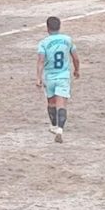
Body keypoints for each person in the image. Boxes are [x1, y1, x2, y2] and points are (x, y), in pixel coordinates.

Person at [36, 16, 80, 144]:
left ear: (47, 28)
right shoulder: (68, 40)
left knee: (51, 103)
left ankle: (54, 125)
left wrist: (38, 77)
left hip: (49, 77)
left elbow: (40, 61)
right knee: (62, 104)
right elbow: (76, 58)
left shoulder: (43, 43)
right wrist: (77, 70)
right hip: (63, 76)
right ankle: (60, 129)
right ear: (59, 26)